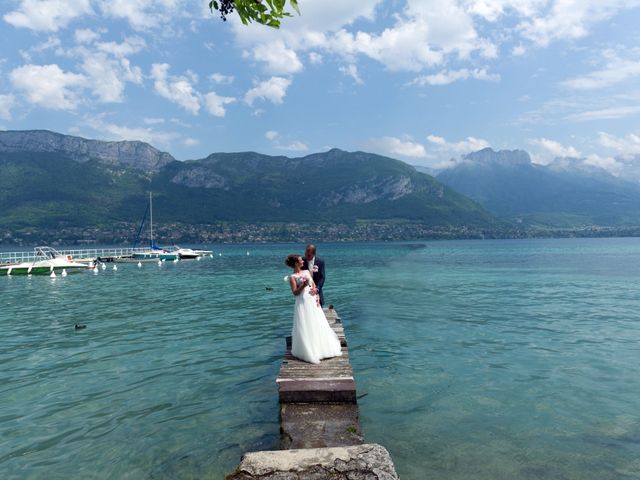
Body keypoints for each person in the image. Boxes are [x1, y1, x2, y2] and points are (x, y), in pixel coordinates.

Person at [285, 254, 342, 364]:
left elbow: (314, 286)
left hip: (312, 301)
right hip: (302, 302)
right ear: (296, 263)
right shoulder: (292, 277)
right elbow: (295, 293)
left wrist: (317, 297)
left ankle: (321, 348)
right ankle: (309, 350)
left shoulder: (306, 272)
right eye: (301, 260)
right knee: (306, 325)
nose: (303, 261)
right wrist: (303, 285)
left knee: (317, 323)